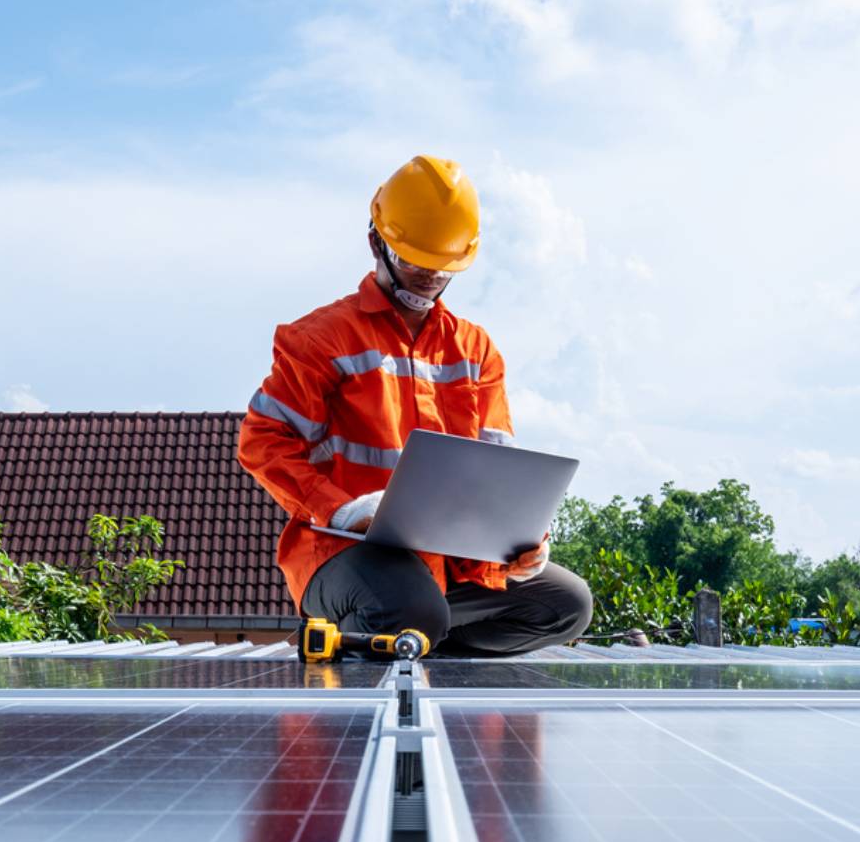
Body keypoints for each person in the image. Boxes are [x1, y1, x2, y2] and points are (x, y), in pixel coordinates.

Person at [237, 155, 593, 656]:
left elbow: (501, 472)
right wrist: (344, 510)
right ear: (375, 243)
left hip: (447, 565)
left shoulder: (476, 350)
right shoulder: (320, 339)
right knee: (414, 609)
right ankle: (404, 629)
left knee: (567, 604)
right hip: (344, 553)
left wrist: (525, 537)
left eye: (443, 266)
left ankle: (417, 643)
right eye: (413, 261)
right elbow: (262, 444)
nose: (429, 276)